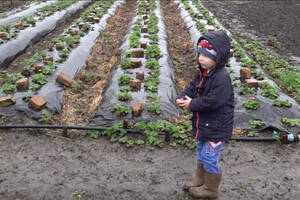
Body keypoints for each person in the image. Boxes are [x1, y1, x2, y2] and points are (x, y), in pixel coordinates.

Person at [176, 31, 234, 199]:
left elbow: (213, 101)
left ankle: (211, 189)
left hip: (217, 126)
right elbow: (193, 88)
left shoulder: (221, 78)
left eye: (206, 55)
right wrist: (183, 96)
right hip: (205, 124)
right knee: (201, 151)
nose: (201, 58)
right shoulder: (202, 72)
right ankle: (200, 179)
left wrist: (191, 104)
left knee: (209, 155)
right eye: (200, 54)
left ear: (218, 58)